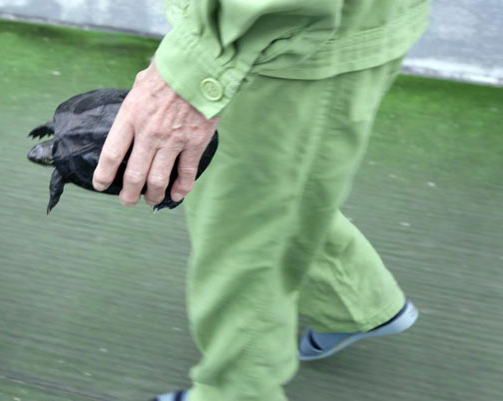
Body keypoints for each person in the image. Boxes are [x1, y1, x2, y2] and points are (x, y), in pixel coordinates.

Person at [92, 1, 431, 400]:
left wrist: (199, 69)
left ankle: (238, 392)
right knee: (271, 198)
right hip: (299, 30)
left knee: (239, 228)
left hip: (284, 38)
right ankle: (351, 301)